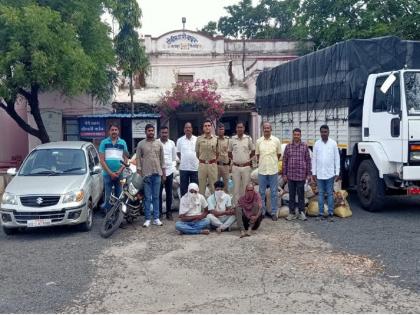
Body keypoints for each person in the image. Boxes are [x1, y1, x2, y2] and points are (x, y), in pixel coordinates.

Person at [136, 124, 166, 227]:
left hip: (157, 173)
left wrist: (164, 174)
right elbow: (138, 160)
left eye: (152, 131)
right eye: (149, 131)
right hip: (146, 174)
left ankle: (156, 218)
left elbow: (162, 160)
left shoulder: (159, 144)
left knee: (156, 197)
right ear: (145, 132)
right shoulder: (141, 144)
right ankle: (148, 218)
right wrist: (139, 173)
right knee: (147, 197)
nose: (151, 132)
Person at [312, 125, 340, 222]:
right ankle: (320, 214)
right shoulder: (316, 144)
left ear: (328, 132)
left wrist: (337, 172)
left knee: (330, 194)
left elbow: (337, 158)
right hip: (319, 174)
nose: (324, 133)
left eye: (325, 132)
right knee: (320, 194)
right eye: (322, 132)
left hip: (330, 174)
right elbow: (314, 159)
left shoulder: (333, 143)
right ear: (320, 133)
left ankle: (330, 214)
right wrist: (313, 173)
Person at [99, 124, 129, 214]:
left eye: (116, 130)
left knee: (119, 195)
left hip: (120, 174)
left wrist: (119, 171)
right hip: (107, 174)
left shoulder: (123, 142)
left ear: (118, 131)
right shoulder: (104, 142)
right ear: (109, 132)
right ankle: (108, 216)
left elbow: (126, 159)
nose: (114, 132)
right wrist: (110, 173)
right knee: (108, 196)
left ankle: (117, 217)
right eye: (112, 130)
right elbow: (102, 160)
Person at [282, 128, 312, 221]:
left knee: (301, 195)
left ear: (300, 135)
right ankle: (291, 213)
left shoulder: (304, 147)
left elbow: (308, 161)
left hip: (301, 175)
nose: (296, 136)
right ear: (293, 135)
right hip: (290, 175)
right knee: (291, 195)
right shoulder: (288, 147)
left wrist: (308, 174)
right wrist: (284, 174)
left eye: (298, 134)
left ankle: (301, 212)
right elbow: (284, 161)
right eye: (295, 134)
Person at [255, 122, 281, 221]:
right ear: (263, 129)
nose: (266, 129)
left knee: (274, 192)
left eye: (268, 128)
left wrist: (272, 162)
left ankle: (273, 212)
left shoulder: (276, 140)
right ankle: (262, 212)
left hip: (273, 170)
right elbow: (257, 155)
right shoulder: (258, 141)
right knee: (261, 192)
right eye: (265, 128)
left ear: (271, 129)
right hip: (262, 170)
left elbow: (278, 154)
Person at [228, 121, 255, 204]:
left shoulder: (248, 139)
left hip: (246, 167)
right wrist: (235, 160)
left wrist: (247, 159)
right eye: (238, 127)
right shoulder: (232, 139)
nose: (240, 129)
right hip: (235, 167)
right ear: (236, 129)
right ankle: (237, 207)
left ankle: (245, 206)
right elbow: (229, 152)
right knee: (236, 189)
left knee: (246, 188)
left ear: (244, 128)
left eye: (241, 127)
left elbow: (253, 151)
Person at [158, 126, 177, 220]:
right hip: (158, 172)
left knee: (169, 193)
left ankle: (169, 213)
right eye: (163, 132)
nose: (164, 134)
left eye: (166, 132)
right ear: (160, 133)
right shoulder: (156, 143)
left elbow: (174, 158)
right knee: (158, 193)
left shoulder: (172, 143)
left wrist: (172, 167)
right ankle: (160, 213)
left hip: (169, 171)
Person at [196, 119, 218, 195]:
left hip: (212, 165)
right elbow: (197, 153)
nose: (207, 127)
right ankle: (202, 206)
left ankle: (214, 206)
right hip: (202, 165)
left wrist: (213, 160)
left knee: (214, 187)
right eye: (205, 126)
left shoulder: (216, 139)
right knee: (201, 187)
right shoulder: (199, 139)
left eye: (209, 126)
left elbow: (217, 153)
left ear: (211, 127)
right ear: (203, 128)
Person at [176, 122, 199, 197]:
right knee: (184, 189)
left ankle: (195, 206)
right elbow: (178, 153)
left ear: (192, 129)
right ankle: (184, 206)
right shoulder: (180, 140)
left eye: (189, 127)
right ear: (184, 129)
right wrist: (184, 160)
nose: (188, 129)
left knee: (195, 188)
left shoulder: (197, 139)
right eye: (186, 127)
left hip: (195, 168)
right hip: (184, 168)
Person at [216, 124, 230, 193]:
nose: (221, 131)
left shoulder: (228, 140)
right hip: (216, 165)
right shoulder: (214, 140)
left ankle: (226, 201)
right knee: (216, 185)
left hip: (225, 166)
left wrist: (231, 165)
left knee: (226, 185)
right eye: (219, 129)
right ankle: (217, 201)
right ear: (217, 131)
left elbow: (231, 152)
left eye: (222, 129)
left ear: (224, 130)